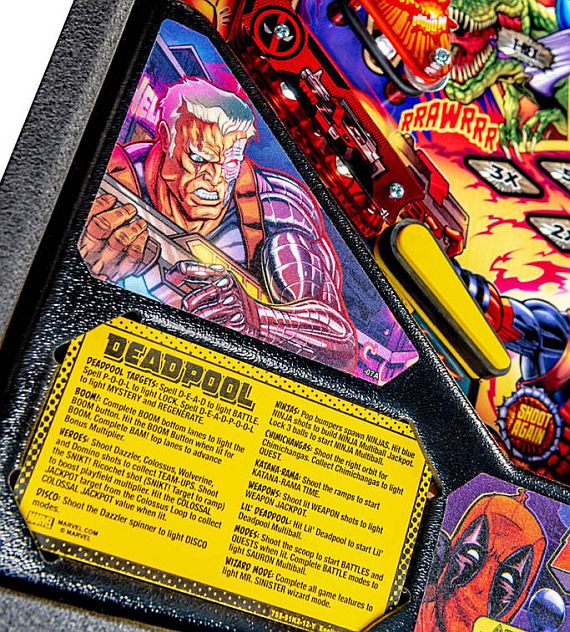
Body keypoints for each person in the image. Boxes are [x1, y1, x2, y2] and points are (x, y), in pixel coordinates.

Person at [79, 77, 358, 371]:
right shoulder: (111, 176)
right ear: (165, 137)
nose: (216, 179)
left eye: (231, 164)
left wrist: (255, 318)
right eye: (199, 158)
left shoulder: (276, 208)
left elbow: (339, 345)